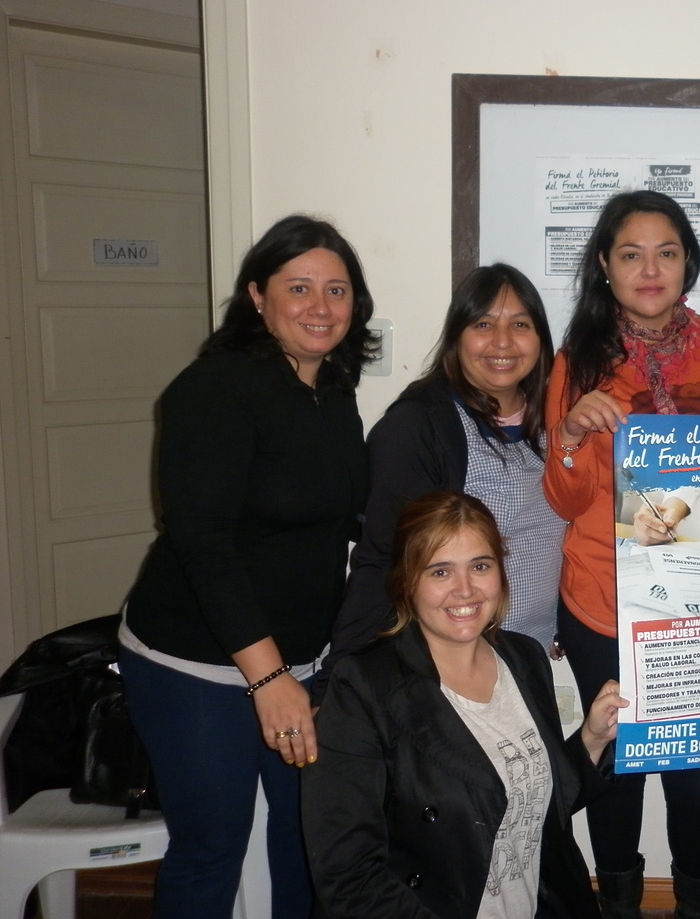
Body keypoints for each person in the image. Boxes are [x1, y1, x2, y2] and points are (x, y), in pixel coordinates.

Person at [117, 215, 376, 919]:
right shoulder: (214, 389)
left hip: (304, 661)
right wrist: (268, 678)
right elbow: (203, 541)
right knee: (212, 848)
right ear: (258, 296)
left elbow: (340, 518)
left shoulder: (333, 390)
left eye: (336, 290)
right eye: (299, 287)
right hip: (195, 664)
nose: (320, 306)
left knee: (308, 839)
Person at [544, 189, 700, 919]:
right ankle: (619, 904)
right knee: (618, 766)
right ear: (604, 264)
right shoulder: (578, 359)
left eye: (667, 253)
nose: (650, 270)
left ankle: (697, 905)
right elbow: (564, 501)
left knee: (699, 772)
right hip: (604, 601)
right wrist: (569, 436)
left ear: (689, 262)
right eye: (631, 254)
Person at [302, 491, 625, 919]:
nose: (466, 590)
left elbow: (533, 806)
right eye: (441, 571)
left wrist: (593, 738)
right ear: (408, 581)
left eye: (480, 566)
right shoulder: (362, 687)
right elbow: (348, 877)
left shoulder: (525, 658)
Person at [315, 263, 560, 701]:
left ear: (540, 339)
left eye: (520, 324)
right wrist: (337, 684)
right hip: (446, 675)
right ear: (456, 337)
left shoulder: (556, 420)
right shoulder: (418, 428)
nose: (503, 341)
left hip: (529, 661)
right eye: (483, 324)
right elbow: (385, 560)